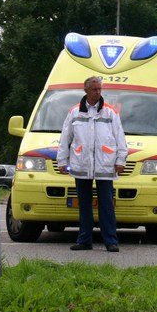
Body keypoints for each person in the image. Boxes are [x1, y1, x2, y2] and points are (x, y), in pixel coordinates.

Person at [57, 76, 127, 252]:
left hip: (105, 166)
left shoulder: (110, 112)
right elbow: (65, 138)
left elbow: (120, 138)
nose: (98, 92)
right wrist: (62, 161)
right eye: (95, 89)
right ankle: (84, 240)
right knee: (84, 205)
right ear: (86, 90)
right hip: (82, 165)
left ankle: (111, 241)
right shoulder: (74, 112)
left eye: (100, 89)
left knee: (106, 205)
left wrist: (121, 160)